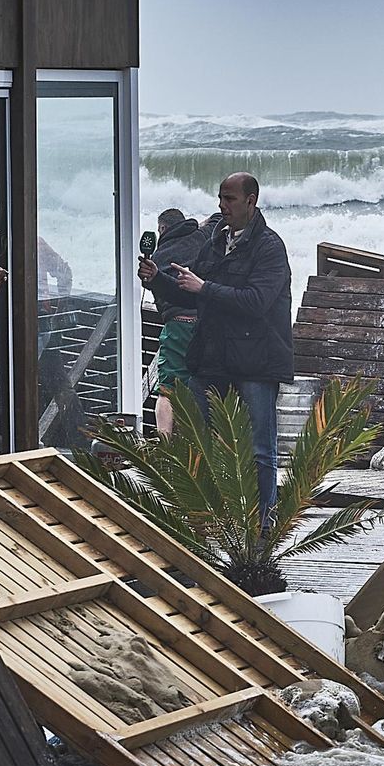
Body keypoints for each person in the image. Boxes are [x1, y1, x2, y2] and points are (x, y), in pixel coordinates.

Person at [141, 173, 293, 529]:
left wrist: (204, 286)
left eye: (230, 199)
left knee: (259, 451)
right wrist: (157, 279)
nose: (222, 206)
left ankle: (262, 526)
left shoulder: (270, 247)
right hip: (214, 360)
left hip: (257, 362)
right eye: (220, 198)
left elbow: (256, 302)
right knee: (201, 441)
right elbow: (191, 292)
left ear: (251, 201)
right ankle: (208, 520)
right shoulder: (214, 242)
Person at [140, 208, 211, 435]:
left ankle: (167, 445)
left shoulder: (159, 255)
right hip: (207, 325)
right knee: (207, 388)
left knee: (167, 390)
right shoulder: (203, 236)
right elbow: (218, 218)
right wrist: (199, 225)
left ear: (162, 229)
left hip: (178, 325)